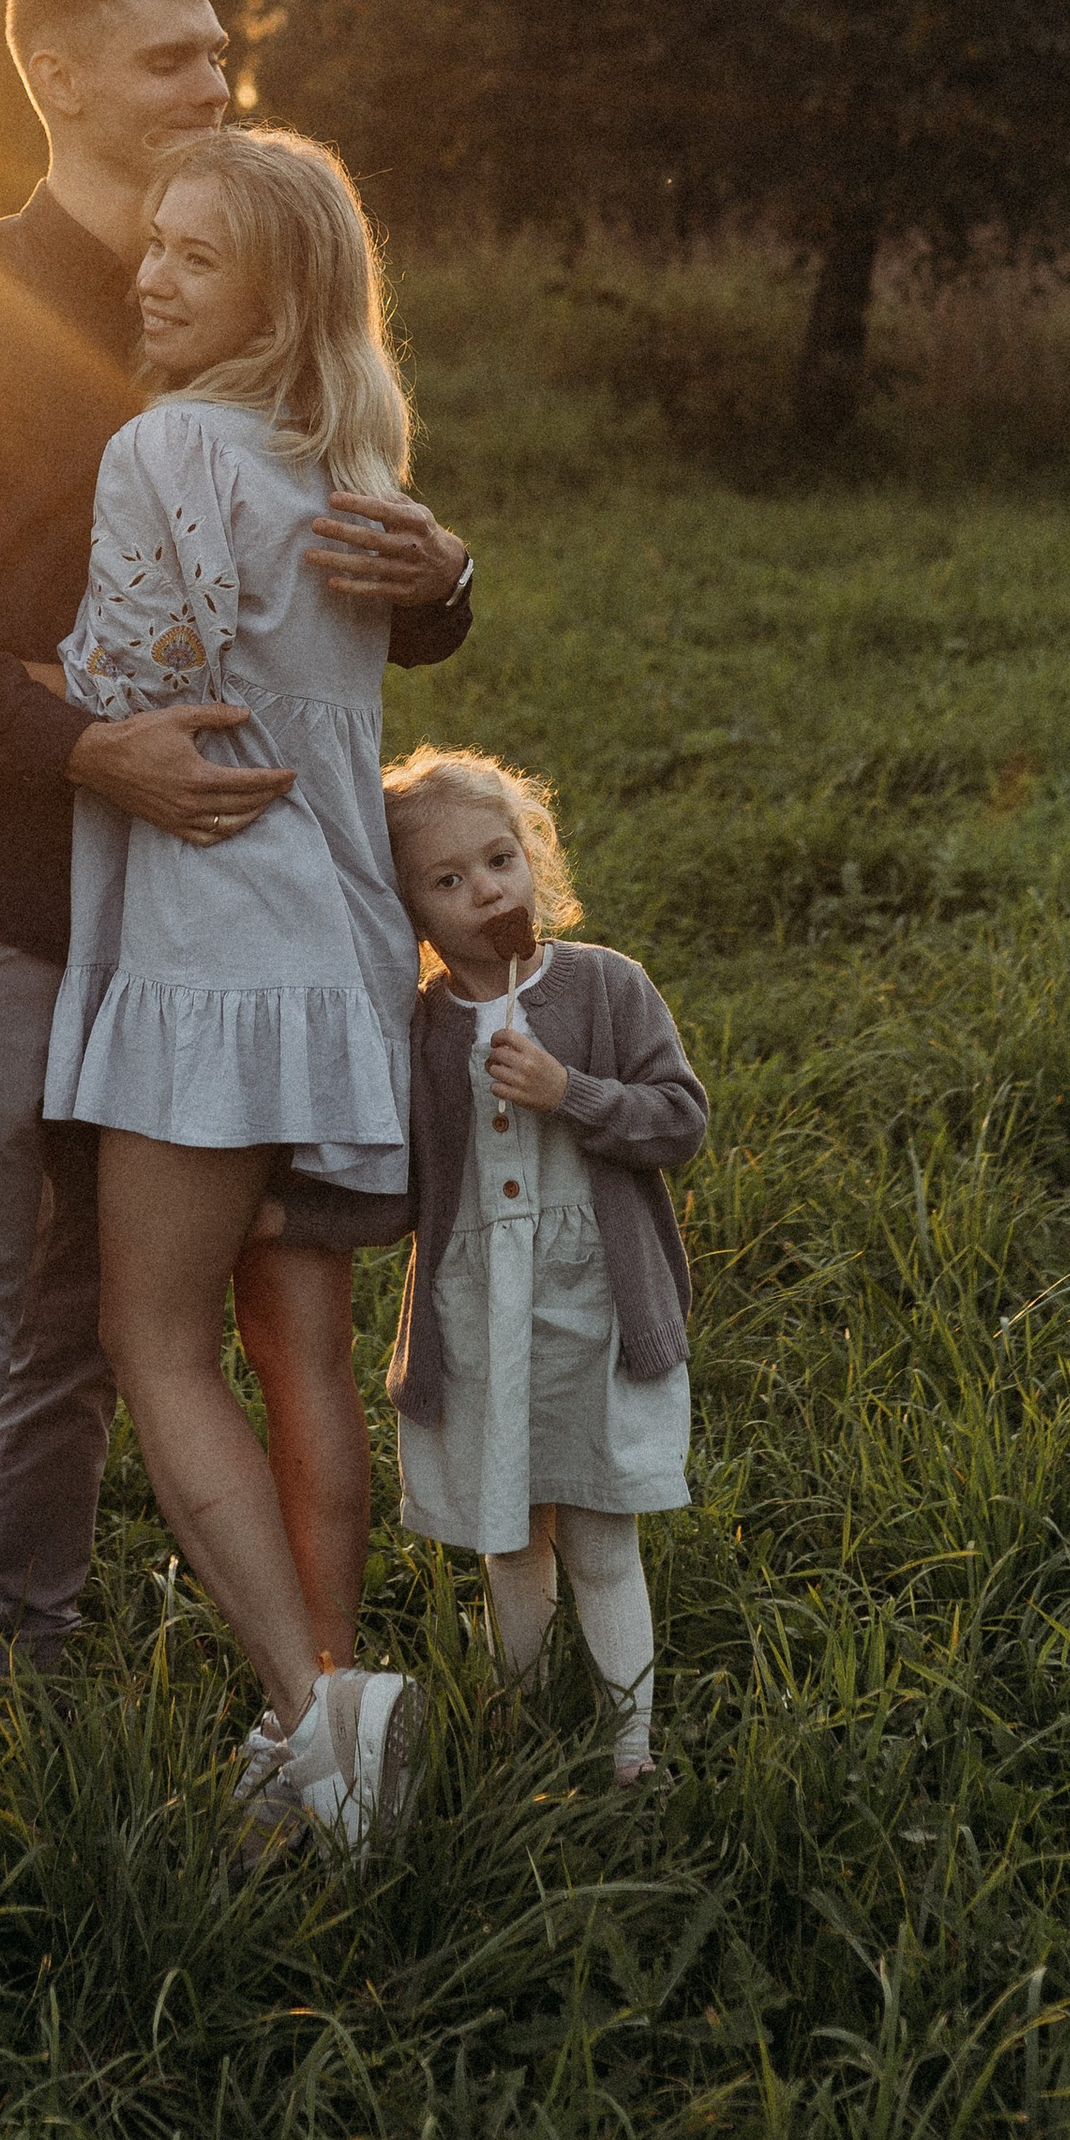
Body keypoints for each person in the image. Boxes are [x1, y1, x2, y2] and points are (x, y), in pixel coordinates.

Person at [0, 0, 472, 1858]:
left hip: (192, 939)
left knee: (84, 1345)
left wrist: (438, 578)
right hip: (4, 893)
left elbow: (374, 614)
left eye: (217, 51)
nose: (214, 77)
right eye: (172, 58)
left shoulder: (252, 301)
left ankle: (45, 1679)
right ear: (64, 84)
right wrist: (87, 744)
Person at [43, 127, 432, 1853]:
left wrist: (27, 680)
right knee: (306, 1353)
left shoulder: (162, 450)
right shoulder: (357, 465)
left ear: (278, 288)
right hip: (341, 952)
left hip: (213, 950)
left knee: (152, 1337)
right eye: (157, 245)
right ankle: (331, 1701)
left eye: (199, 258)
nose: (154, 274)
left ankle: (318, 1727)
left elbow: (124, 685)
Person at [373, 747, 706, 1785]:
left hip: (594, 1314)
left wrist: (572, 1091)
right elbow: (401, 1178)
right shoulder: (419, 1029)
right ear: (410, 911)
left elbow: (678, 1122)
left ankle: (630, 1750)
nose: (484, 890)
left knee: (602, 1538)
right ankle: (511, 1728)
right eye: (447, 880)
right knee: (508, 1543)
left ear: (531, 860)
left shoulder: (605, 985)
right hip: (478, 1322)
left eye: (499, 860)